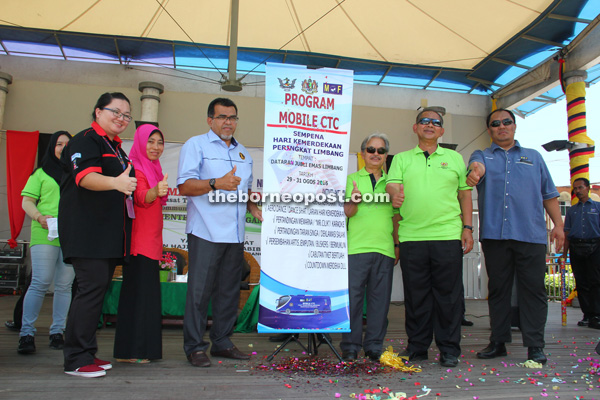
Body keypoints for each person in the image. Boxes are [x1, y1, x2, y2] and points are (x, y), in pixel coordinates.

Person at [467, 108, 564, 365]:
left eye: (506, 122)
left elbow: (549, 194)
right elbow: (475, 168)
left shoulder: (534, 157)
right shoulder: (483, 155)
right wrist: (475, 172)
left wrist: (559, 225)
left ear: (514, 126)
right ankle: (498, 342)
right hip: (495, 236)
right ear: (489, 130)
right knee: (498, 290)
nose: (502, 126)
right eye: (495, 123)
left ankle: (535, 346)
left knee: (533, 291)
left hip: (531, 235)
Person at [177, 97, 262, 368]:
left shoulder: (243, 153)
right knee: (199, 292)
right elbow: (185, 186)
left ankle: (222, 342)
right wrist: (216, 183)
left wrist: (252, 205)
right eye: (222, 117)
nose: (228, 122)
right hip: (205, 230)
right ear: (210, 120)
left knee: (228, 291)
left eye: (233, 117)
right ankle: (194, 346)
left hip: (235, 234)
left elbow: (243, 188)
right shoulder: (195, 145)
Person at [386, 109, 473, 368]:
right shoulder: (401, 159)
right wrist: (394, 192)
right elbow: (392, 184)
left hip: (447, 235)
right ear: (415, 128)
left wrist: (467, 228)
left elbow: (465, 194)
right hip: (412, 236)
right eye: (424, 121)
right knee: (416, 296)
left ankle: (449, 349)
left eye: (436, 123)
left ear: (442, 131)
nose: (430, 125)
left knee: (449, 297)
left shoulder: (456, 158)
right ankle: (418, 348)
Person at [59, 92, 137, 378]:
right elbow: (84, 177)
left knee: (95, 293)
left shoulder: (115, 147)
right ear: (97, 112)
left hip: (107, 235)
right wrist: (116, 182)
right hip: (87, 232)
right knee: (89, 292)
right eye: (115, 111)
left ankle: (87, 351)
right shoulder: (85, 140)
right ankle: (76, 359)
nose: (121, 118)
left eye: (126, 115)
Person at [340, 133, 400, 362]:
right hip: (355, 248)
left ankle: (374, 345)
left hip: (384, 249)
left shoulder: (393, 183)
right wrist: (353, 201)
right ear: (363, 153)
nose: (376, 154)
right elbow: (347, 212)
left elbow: (396, 217)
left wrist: (396, 245)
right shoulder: (349, 179)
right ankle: (351, 345)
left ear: (386, 155)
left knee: (380, 301)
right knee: (353, 300)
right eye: (371, 150)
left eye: (381, 151)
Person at [113, 124, 169, 363]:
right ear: (139, 142)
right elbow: (140, 197)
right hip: (139, 243)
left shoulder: (155, 167)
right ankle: (132, 351)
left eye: (159, 142)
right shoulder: (134, 167)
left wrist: (156, 190)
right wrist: (155, 191)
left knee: (144, 296)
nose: (155, 147)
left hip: (151, 241)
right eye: (150, 141)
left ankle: (138, 350)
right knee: (138, 297)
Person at [17, 131, 75, 355]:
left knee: (64, 286)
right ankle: (27, 334)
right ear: (52, 147)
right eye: (59, 144)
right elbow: (27, 201)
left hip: (70, 235)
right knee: (40, 282)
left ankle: (57, 332)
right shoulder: (40, 174)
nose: (63, 148)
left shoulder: (76, 174)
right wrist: (39, 217)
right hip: (44, 233)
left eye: (67, 145)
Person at [563, 178, 600, 329]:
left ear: (588, 188)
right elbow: (567, 235)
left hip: (595, 246)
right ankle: (587, 314)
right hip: (576, 247)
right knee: (581, 282)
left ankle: (597, 314)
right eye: (575, 189)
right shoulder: (572, 211)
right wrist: (564, 255)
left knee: (596, 282)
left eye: (580, 188)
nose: (577, 191)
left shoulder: (597, 207)